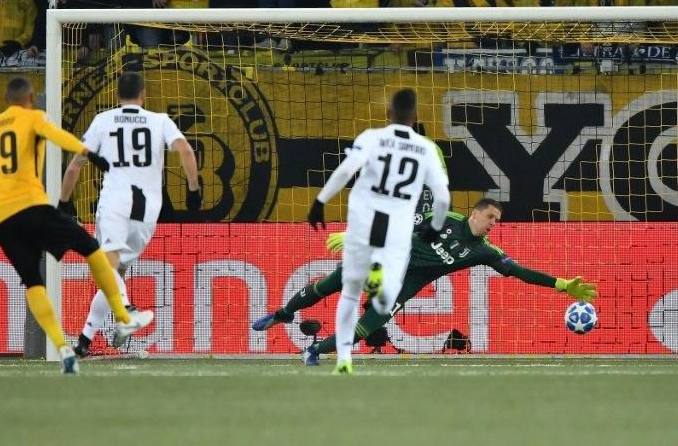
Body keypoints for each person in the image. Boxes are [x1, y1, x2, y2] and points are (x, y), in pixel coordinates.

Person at [255, 198, 599, 366]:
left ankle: (313, 351)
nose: (494, 223)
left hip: (403, 285)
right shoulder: (441, 219)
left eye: (497, 219)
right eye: (490, 216)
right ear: (475, 213)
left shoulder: (484, 251)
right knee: (331, 283)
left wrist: (561, 284)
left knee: (366, 327)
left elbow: (519, 271)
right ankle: (283, 313)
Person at [0, 77, 154, 374]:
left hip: (1, 220)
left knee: (33, 283)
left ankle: (64, 347)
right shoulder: (33, 117)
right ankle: (124, 315)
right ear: (30, 98)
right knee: (92, 248)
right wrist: (90, 154)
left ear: (5, 99)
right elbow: (59, 137)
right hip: (31, 206)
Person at [306, 89, 450, 374]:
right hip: (398, 228)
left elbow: (345, 171)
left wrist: (320, 202)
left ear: (388, 114)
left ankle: (344, 359)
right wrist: (434, 227)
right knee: (386, 301)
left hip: (363, 221)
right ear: (415, 116)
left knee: (349, 293)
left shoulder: (372, 137)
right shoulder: (426, 148)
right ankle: (380, 283)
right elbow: (443, 198)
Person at [59, 71, 202, 358]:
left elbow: (75, 165)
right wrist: (193, 189)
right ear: (143, 95)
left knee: (105, 268)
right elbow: (186, 151)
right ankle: (85, 340)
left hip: (116, 202)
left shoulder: (103, 120)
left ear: (116, 96)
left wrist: (63, 202)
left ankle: (127, 312)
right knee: (115, 273)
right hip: (147, 210)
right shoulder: (160, 120)